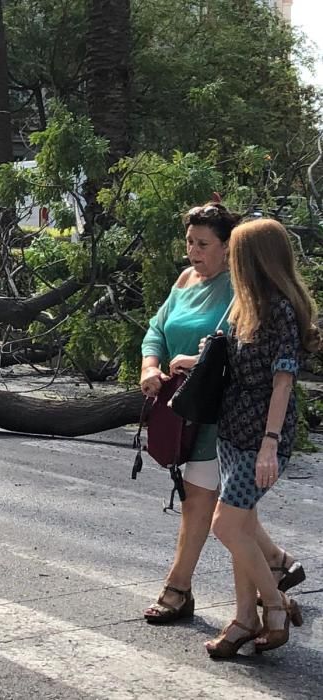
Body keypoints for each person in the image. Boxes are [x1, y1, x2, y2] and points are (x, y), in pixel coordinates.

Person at [139, 203, 304, 625]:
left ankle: (182, 589)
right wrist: (152, 366)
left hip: (226, 415)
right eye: (190, 242)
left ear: (230, 247)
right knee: (231, 511)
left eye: (203, 244)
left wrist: (270, 441)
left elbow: (243, 358)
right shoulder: (185, 280)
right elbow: (158, 328)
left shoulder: (244, 289)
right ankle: (276, 568)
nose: (193, 251)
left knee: (206, 505)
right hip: (190, 406)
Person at [203, 218, 318, 658]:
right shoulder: (242, 304)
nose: (229, 259)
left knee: (226, 525)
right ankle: (243, 619)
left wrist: (270, 443)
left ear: (253, 258)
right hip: (232, 430)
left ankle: (274, 606)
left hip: (260, 435)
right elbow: (226, 358)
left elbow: (284, 380)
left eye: (235, 252)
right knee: (243, 529)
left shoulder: (280, 310)